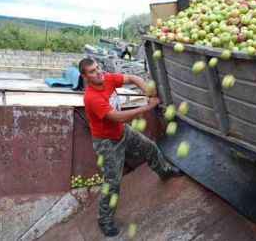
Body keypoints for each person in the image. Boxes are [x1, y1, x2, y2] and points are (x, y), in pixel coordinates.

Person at [78, 58, 183, 237]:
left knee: (150, 148)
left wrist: (147, 92)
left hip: (122, 132)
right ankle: (104, 220)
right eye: (92, 71)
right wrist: (147, 106)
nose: (98, 72)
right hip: (107, 142)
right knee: (113, 183)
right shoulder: (91, 98)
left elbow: (133, 78)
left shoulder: (107, 78)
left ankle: (164, 171)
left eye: (98, 68)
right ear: (85, 76)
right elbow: (118, 117)